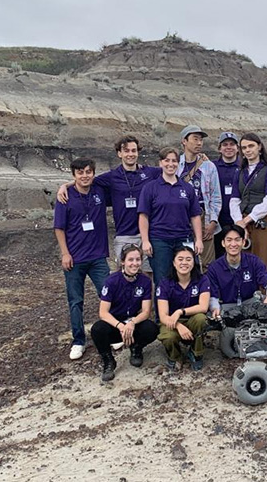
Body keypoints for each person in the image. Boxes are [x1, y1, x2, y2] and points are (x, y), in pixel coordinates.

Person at [57, 135, 160, 272]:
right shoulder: (111, 177)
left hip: (149, 234)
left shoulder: (150, 173)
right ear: (119, 153)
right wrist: (65, 185)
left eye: (133, 151)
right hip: (125, 235)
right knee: (125, 275)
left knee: (148, 275)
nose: (130, 154)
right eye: (126, 151)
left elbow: (171, 171)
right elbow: (86, 179)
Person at [53, 158, 110, 360]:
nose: (85, 176)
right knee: (75, 301)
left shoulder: (100, 191)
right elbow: (59, 228)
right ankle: (79, 341)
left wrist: (65, 184)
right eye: (80, 172)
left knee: (108, 294)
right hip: (74, 258)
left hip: (98, 257)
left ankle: (112, 332)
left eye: (88, 172)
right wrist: (65, 253)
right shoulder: (65, 197)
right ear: (74, 175)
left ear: (93, 173)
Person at [228, 132, 267, 301]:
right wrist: (239, 223)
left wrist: (247, 220)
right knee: (243, 267)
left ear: (259, 147)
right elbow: (234, 199)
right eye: (244, 147)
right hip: (242, 225)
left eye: (251, 146)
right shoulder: (239, 172)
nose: (247, 150)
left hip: (262, 224)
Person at [90, 244, 159, 381]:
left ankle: (136, 348)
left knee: (152, 328)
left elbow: (146, 311)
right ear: (123, 261)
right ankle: (108, 360)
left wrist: (132, 323)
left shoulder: (145, 281)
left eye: (138, 260)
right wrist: (120, 326)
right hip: (115, 324)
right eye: (131, 260)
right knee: (97, 329)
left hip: (133, 322)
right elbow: (103, 312)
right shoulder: (111, 281)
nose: (135, 263)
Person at [138, 147, 203, 285]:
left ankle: (185, 307)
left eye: (174, 161)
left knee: (187, 276)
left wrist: (199, 240)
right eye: (166, 160)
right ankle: (162, 307)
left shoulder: (187, 188)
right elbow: (144, 216)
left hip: (184, 238)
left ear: (178, 164)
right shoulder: (150, 188)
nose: (170, 164)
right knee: (162, 279)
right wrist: (145, 241)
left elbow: (195, 216)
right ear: (160, 163)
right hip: (160, 240)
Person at [206, 225, 267, 317]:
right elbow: (213, 296)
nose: (233, 244)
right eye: (229, 240)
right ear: (223, 243)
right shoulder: (214, 267)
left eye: (237, 240)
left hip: (251, 304)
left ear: (243, 242)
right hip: (227, 307)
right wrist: (215, 308)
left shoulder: (254, 261)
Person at [156, 246, 211, 371]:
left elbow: (203, 307)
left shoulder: (202, 280)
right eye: (180, 259)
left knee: (202, 319)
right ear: (174, 263)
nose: (184, 263)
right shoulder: (165, 283)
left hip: (192, 319)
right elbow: (163, 315)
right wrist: (179, 326)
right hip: (172, 322)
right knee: (168, 337)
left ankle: (196, 353)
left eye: (188, 259)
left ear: (194, 262)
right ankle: (175, 356)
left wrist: (180, 311)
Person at [178, 125, 222, 271]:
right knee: (183, 260)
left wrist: (213, 221)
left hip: (204, 215)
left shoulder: (209, 166)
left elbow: (215, 196)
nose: (199, 143)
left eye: (201, 140)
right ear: (184, 141)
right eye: (195, 139)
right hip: (181, 217)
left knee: (207, 263)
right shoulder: (176, 165)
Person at [213, 131, 240, 259]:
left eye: (232, 144)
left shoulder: (244, 166)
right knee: (218, 255)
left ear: (237, 148)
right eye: (225, 144)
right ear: (219, 148)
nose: (228, 147)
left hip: (239, 219)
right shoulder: (212, 167)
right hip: (218, 220)